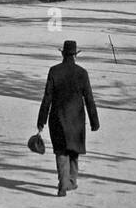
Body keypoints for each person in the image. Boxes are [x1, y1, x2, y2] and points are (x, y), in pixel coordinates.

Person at [36, 40, 99, 197]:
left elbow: (47, 98)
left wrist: (41, 120)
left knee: (61, 150)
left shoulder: (54, 71)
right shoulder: (82, 73)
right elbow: (89, 98)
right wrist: (94, 121)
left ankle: (63, 184)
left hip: (57, 117)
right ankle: (71, 181)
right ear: (75, 55)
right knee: (73, 149)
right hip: (76, 118)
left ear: (63, 53)